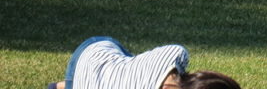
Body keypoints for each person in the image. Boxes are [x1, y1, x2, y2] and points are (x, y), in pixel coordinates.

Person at [48, 37, 241, 89]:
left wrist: (173, 73)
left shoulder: (176, 55)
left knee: (129, 62)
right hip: (86, 77)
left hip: (89, 53)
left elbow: (172, 49)